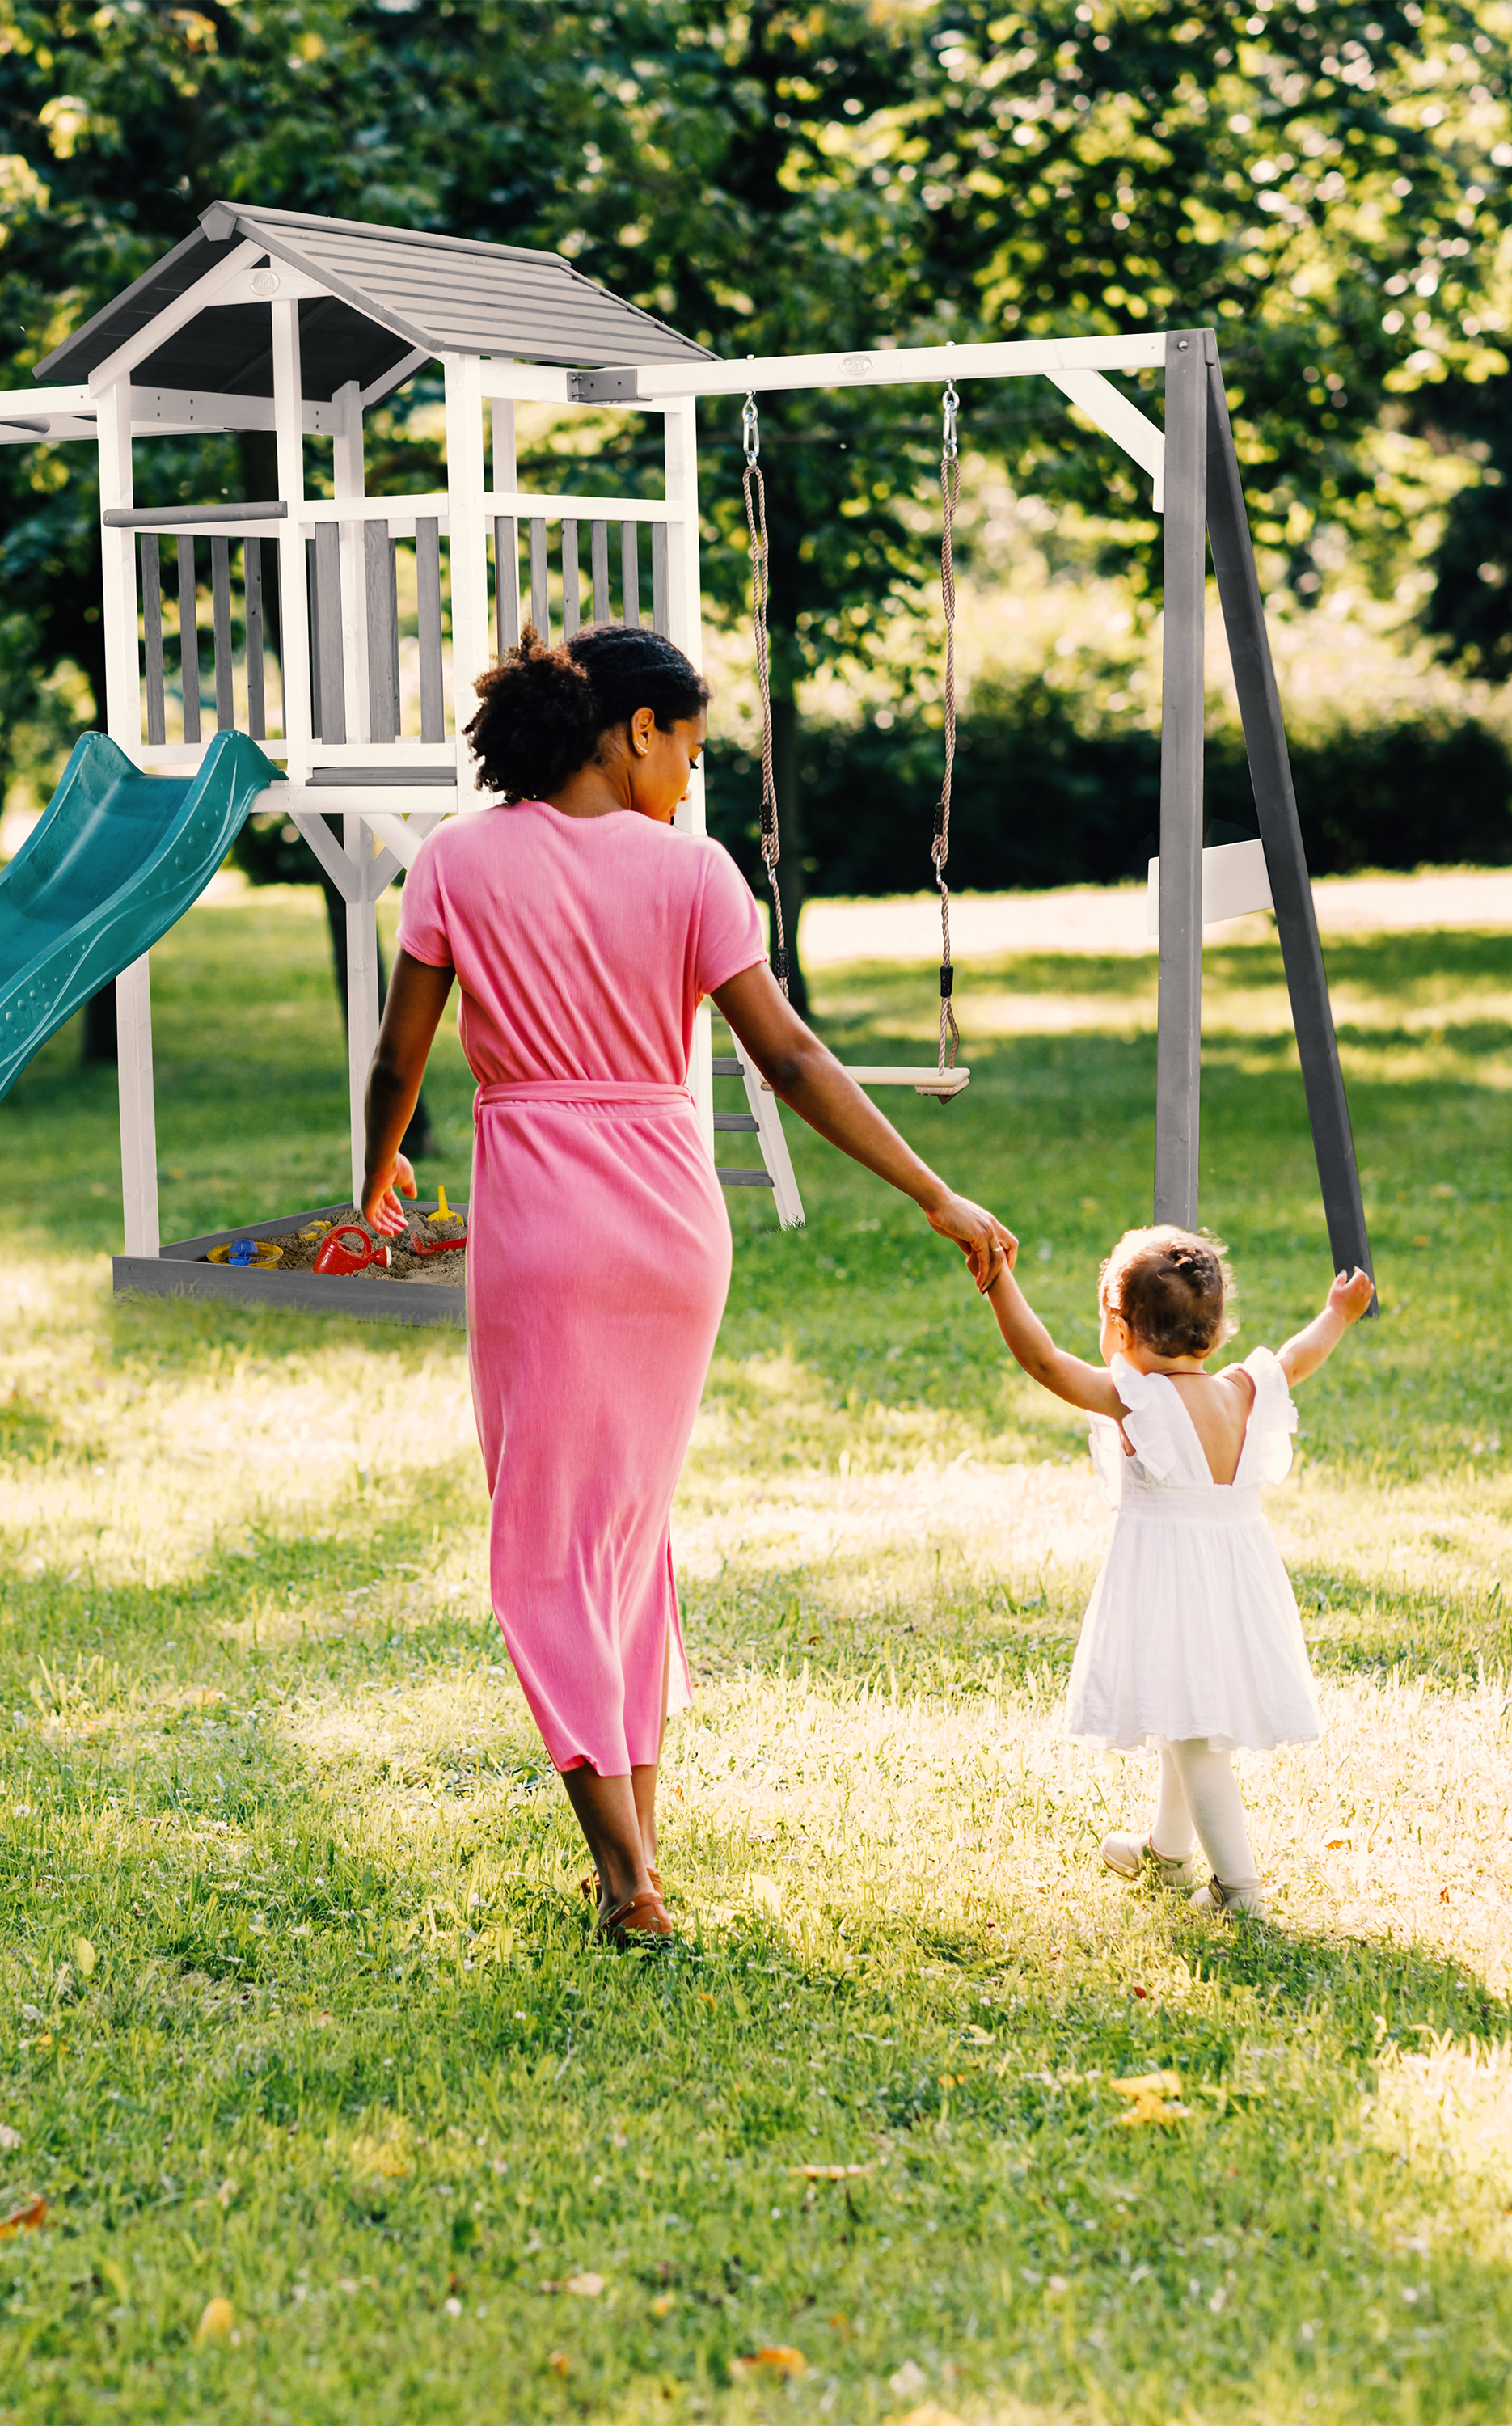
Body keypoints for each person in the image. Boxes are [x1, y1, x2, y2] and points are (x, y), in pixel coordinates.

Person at [357, 625, 1016, 1946]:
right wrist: (931, 1190)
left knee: (548, 1548)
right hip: (670, 1227)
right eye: (691, 750)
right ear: (635, 729)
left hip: (542, 1225)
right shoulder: (695, 874)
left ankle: (624, 1878)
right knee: (623, 1537)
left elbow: (399, 1059)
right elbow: (792, 1059)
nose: (691, 780)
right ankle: (637, 1854)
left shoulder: (455, 862)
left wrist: (372, 1179)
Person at [979, 1223, 1375, 1915]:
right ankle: (1167, 1853)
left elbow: (1043, 1361)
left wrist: (998, 1280)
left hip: (1172, 1587)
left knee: (1194, 1739)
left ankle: (1239, 1891)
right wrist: (1336, 1314)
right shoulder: (1245, 1389)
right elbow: (1297, 1355)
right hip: (1236, 1583)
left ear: (1120, 1329)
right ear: (1216, 1333)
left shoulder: (1137, 1400)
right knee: (1179, 1711)